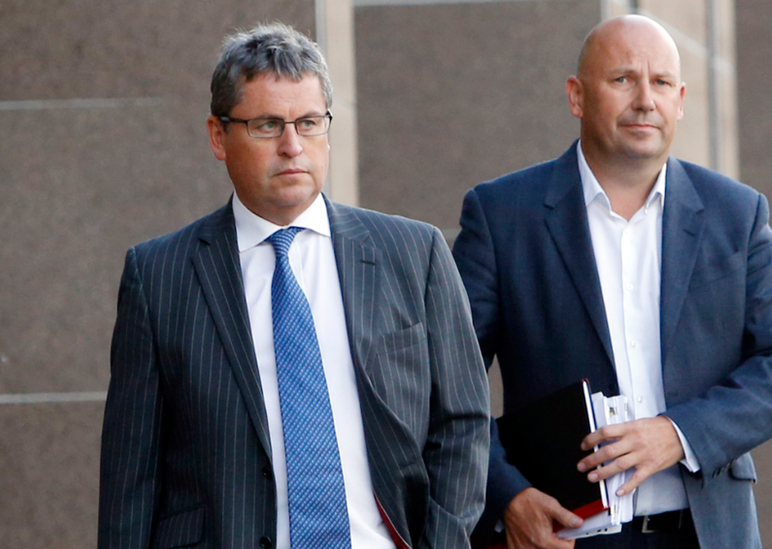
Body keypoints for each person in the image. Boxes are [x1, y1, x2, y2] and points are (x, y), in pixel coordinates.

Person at [98, 22, 489, 549]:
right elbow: (131, 477)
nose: (291, 146)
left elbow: (462, 423)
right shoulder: (159, 275)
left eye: (308, 123)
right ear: (219, 135)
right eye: (266, 125)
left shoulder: (412, 253)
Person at [452, 15, 772, 549]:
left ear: (681, 99)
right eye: (623, 79)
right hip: (563, 535)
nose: (645, 99)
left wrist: (679, 434)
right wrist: (507, 497)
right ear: (577, 96)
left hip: (706, 534)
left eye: (662, 83)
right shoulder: (505, 215)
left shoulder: (734, 214)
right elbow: (446, 384)